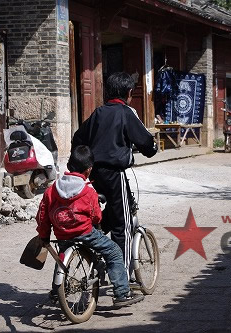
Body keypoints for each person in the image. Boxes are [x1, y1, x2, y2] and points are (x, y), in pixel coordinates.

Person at [72, 72, 158, 278]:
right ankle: (123, 277)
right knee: (124, 224)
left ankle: (98, 244)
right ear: (129, 93)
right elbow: (146, 142)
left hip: (93, 175)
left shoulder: (98, 113)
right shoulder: (126, 112)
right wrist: (151, 148)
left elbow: (78, 138)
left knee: (109, 214)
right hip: (114, 174)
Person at [36, 145, 144, 307]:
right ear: (88, 171)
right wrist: (96, 220)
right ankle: (122, 293)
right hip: (84, 232)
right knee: (113, 251)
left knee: (62, 257)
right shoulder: (88, 192)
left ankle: (57, 292)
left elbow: (42, 216)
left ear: (68, 167)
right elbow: (96, 216)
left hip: (62, 234)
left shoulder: (51, 191)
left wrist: (44, 236)